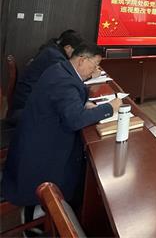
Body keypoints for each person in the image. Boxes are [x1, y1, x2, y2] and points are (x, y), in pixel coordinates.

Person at [1, 43, 121, 216]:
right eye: (95, 65)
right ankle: (49, 213)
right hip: (39, 156)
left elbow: (66, 101)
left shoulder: (60, 69)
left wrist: (83, 103)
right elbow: (75, 120)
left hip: (33, 138)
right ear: (82, 60)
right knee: (82, 173)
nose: (95, 70)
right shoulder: (65, 82)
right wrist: (110, 107)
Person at [8, 30, 93, 126]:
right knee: (70, 119)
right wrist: (89, 75)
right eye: (77, 52)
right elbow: (67, 82)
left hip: (26, 100)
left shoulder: (52, 49)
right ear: (68, 47)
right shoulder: (55, 58)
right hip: (26, 109)